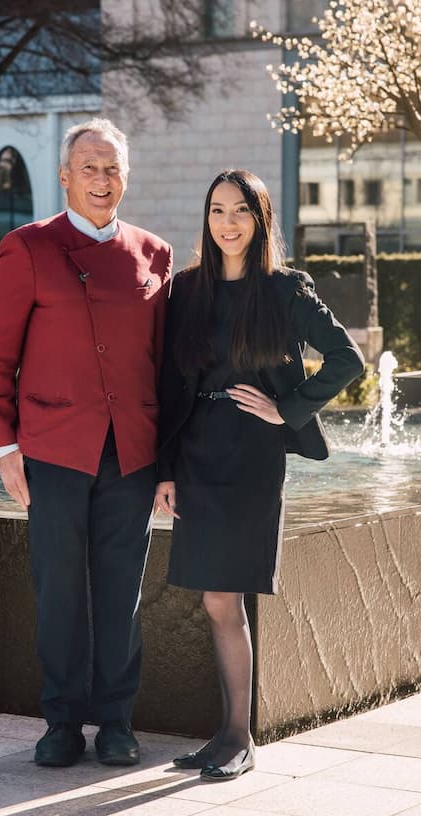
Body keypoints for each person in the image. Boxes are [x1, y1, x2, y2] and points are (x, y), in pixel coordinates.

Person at [154, 169, 364, 782]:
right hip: (195, 454)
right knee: (215, 598)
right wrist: (164, 470)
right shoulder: (186, 290)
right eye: (217, 210)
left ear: (261, 218)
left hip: (251, 454)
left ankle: (239, 738)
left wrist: (288, 408)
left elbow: (347, 358)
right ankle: (225, 733)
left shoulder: (285, 291)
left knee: (225, 595)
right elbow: (168, 387)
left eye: (240, 210)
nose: (227, 222)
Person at [0, 118, 172, 768]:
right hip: (54, 450)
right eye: (88, 167)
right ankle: (61, 721)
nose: (101, 179)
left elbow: (164, 367)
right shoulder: (27, 247)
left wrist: (168, 463)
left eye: (111, 167)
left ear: (126, 175)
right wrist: (3, 446)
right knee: (58, 590)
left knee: (121, 594)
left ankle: (116, 721)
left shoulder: (154, 254)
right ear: (64, 176)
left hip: (133, 455)